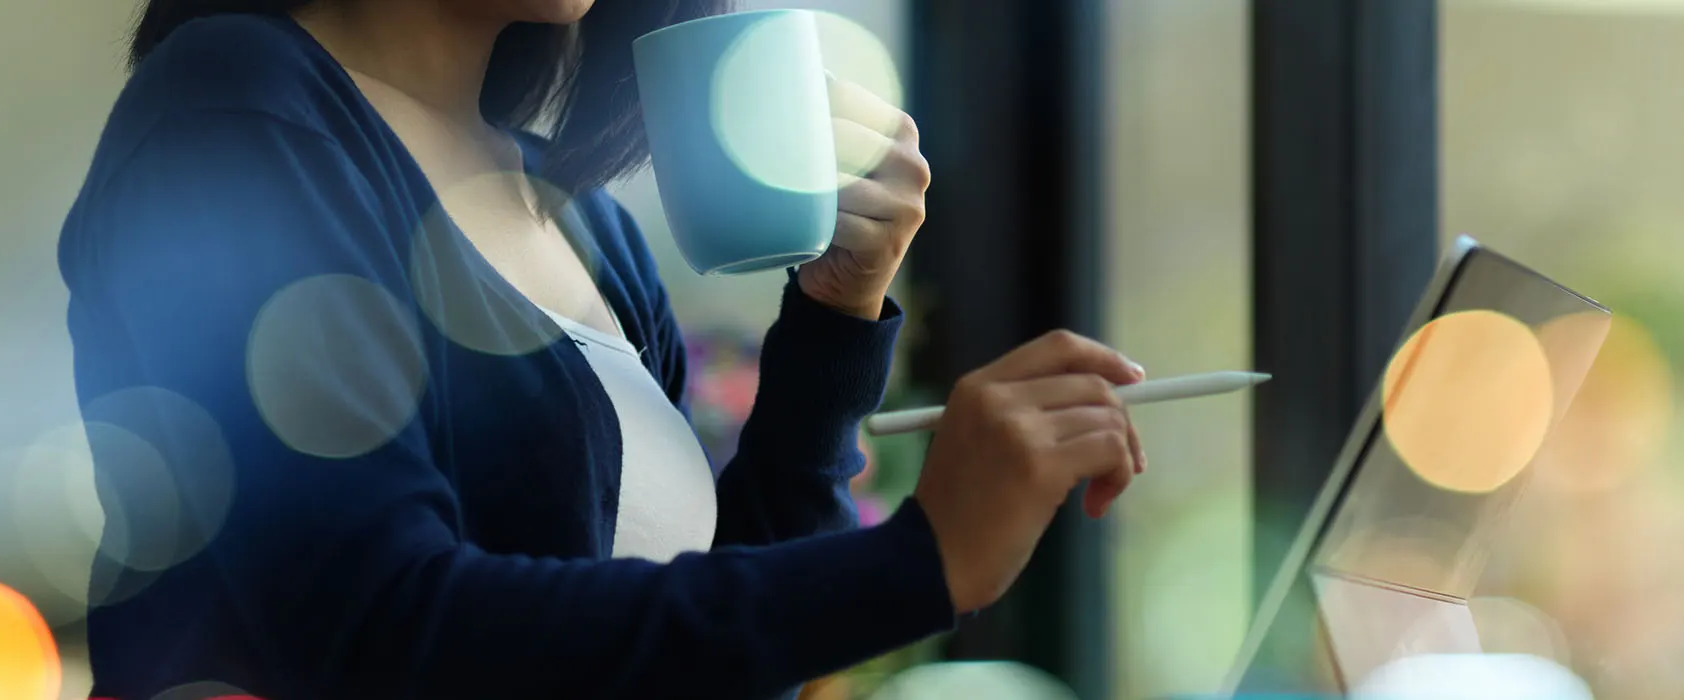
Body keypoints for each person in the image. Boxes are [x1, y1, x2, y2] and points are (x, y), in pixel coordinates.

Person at [58, 1, 1148, 698]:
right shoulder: (233, 108)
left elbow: (699, 620)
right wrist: (920, 559)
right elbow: (380, 630)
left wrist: (834, 312)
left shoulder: (576, 217)